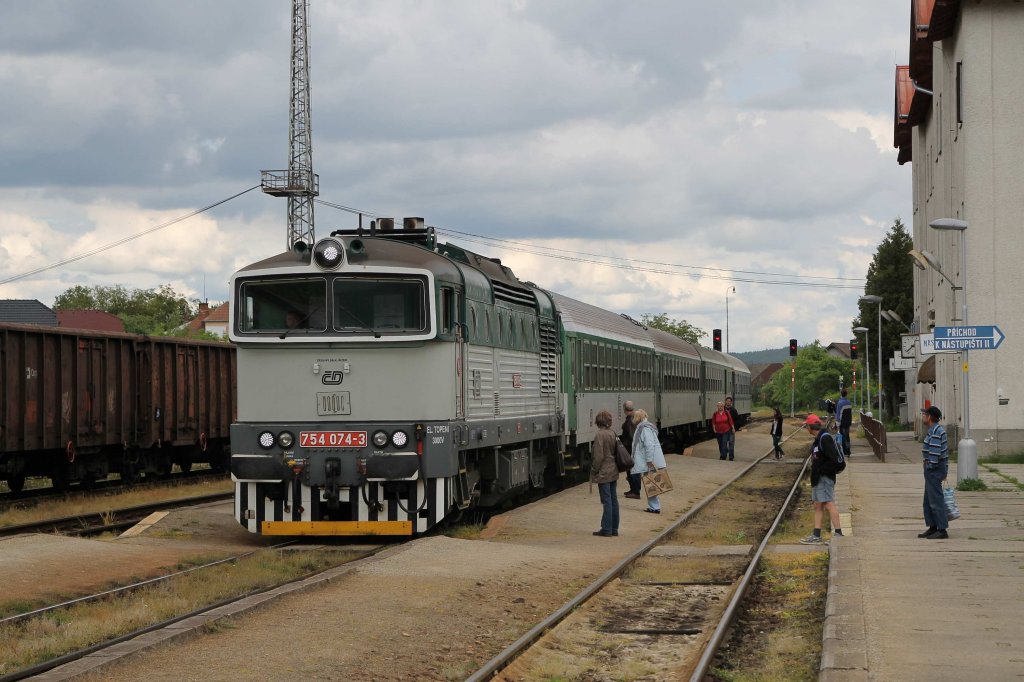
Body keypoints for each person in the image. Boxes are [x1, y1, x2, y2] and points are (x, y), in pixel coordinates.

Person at [799, 414, 844, 544]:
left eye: (806, 425)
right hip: (819, 478)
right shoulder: (819, 438)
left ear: (810, 426)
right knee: (818, 505)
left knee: (828, 503)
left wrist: (821, 470)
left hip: (824, 478)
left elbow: (833, 460)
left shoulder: (824, 439)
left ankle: (839, 534)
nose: (806, 428)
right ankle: (816, 534)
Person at [919, 406, 949, 539]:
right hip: (931, 468)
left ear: (930, 417)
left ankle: (942, 529)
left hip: (934, 469)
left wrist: (930, 466)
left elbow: (935, 453)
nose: (923, 416)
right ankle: (932, 526)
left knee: (936, 500)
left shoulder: (936, 431)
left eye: (924, 414)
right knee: (928, 500)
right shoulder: (933, 430)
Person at [630, 409, 667, 514]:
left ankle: (655, 507)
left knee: (651, 483)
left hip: (649, 461)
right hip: (648, 460)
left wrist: (649, 460)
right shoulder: (646, 427)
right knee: (650, 483)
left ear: (638, 418)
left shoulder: (644, 429)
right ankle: (654, 506)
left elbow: (649, 445)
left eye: (634, 417)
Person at [590, 410, 620, 537]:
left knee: (606, 500)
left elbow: (598, 457)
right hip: (613, 470)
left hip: (603, 472)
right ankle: (614, 528)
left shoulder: (599, 435)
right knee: (614, 500)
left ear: (598, 422)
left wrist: (594, 470)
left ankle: (606, 529)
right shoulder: (613, 433)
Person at [621, 401, 641, 499]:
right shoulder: (633, 418)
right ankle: (633, 489)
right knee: (631, 469)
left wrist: (623, 445)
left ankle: (635, 491)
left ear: (625, 409)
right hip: (633, 449)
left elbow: (631, 437)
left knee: (633, 469)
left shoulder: (630, 421)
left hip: (631, 449)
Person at [835, 389, 853, 459]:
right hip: (848, 422)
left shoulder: (840, 403)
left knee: (842, 437)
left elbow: (838, 414)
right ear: (846, 394)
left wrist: (837, 424)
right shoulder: (849, 402)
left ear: (841, 394)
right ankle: (848, 451)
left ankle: (844, 451)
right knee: (847, 436)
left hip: (842, 422)